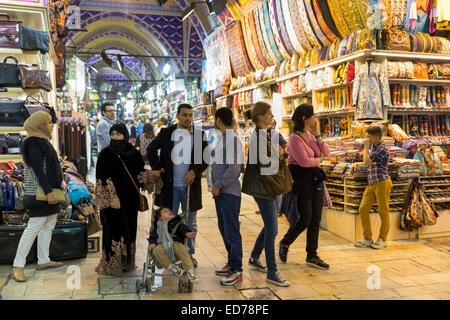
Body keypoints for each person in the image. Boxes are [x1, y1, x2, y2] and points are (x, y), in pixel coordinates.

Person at [95, 123, 161, 276]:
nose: (115, 137)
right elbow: (101, 178)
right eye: (113, 134)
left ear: (125, 135)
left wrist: (153, 175)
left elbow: (140, 174)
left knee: (129, 230)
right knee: (112, 231)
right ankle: (112, 265)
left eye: (118, 134)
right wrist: (111, 198)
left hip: (130, 200)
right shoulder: (106, 153)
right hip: (112, 202)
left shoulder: (133, 153)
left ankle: (127, 262)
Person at [147, 104, 209, 268]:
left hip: (190, 187)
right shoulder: (167, 133)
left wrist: (194, 171)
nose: (188, 118)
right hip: (171, 187)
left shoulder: (199, 135)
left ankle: (189, 255)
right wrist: (158, 168)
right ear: (178, 116)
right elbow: (151, 148)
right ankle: (170, 253)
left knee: (190, 223)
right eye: (184, 115)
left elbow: (206, 158)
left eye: (190, 115)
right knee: (168, 221)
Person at [11, 111, 64, 282]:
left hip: (48, 191)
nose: (51, 125)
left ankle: (44, 260)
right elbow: (38, 170)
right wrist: (48, 192)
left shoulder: (41, 141)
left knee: (48, 226)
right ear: (39, 125)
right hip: (39, 193)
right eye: (48, 122)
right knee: (33, 228)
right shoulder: (33, 143)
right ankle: (18, 266)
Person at [242, 101, 289, 287]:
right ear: (261, 116)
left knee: (270, 224)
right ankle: (272, 271)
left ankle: (255, 256)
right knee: (273, 229)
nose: (272, 116)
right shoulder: (260, 136)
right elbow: (265, 163)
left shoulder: (263, 134)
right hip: (264, 188)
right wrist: (279, 155)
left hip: (265, 186)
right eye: (269, 113)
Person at [277, 104, 330, 270]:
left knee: (316, 219)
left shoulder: (309, 134)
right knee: (305, 218)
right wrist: (318, 161)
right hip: (301, 181)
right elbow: (304, 161)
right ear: (304, 118)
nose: (315, 119)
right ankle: (285, 242)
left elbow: (326, 152)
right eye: (313, 115)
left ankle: (312, 255)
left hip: (315, 181)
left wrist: (318, 135)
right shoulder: (294, 138)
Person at [211, 108, 245, 286]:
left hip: (229, 193)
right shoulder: (224, 139)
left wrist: (218, 184)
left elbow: (234, 168)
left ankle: (237, 269)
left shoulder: (231, 140)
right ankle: (232, 263)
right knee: (224, 229)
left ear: (218, 120)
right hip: (222, 193)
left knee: (231, 231)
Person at [352, 126, 392, 249]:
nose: (367, 139)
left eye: (369, 137)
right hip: (372, 183)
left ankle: (382, 239)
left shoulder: (383, 149)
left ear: (376, 137)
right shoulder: (374, 147)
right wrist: (355, 164)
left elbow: (367, 162)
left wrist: (366, 147)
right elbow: (368, 163)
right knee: (363, 209)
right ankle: (367, 238)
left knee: (383, 211)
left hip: (382, 183)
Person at [148, 207, 198, 282]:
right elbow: (153, 235)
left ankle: (190, 271)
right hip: (162, 245)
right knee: (156, 250)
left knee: (181, 249)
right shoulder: (157, 226)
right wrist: (152, 243)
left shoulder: (175, 223)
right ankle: (172, 267)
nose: (169, 212)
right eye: (165, 211)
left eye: (169, 211)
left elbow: (182, 229)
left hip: (175, 244)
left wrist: (187, 233)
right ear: (160, 217)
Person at [204, 115, 218, 192]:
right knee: (208, 170)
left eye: (212, 118)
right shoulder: (205, 131)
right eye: (209, 119)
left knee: (216, 169)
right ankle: (210, 186)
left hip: (216, 152)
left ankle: (216, 185)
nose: (211, 120)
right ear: (207, 121)